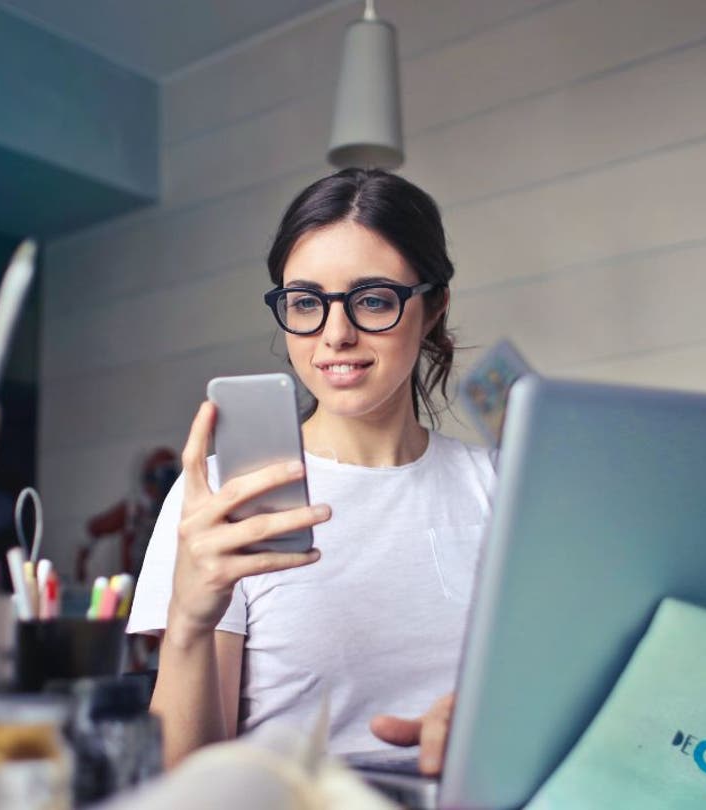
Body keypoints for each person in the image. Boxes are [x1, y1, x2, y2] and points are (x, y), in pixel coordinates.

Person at [127, 168, 496, 775]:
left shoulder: (500, 488)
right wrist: (190, 622)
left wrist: (492, 725)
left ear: (432, 308)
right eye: (306, 303)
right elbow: (188, 784)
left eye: (373, 299)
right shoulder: (225, 497)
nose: (336, 334)